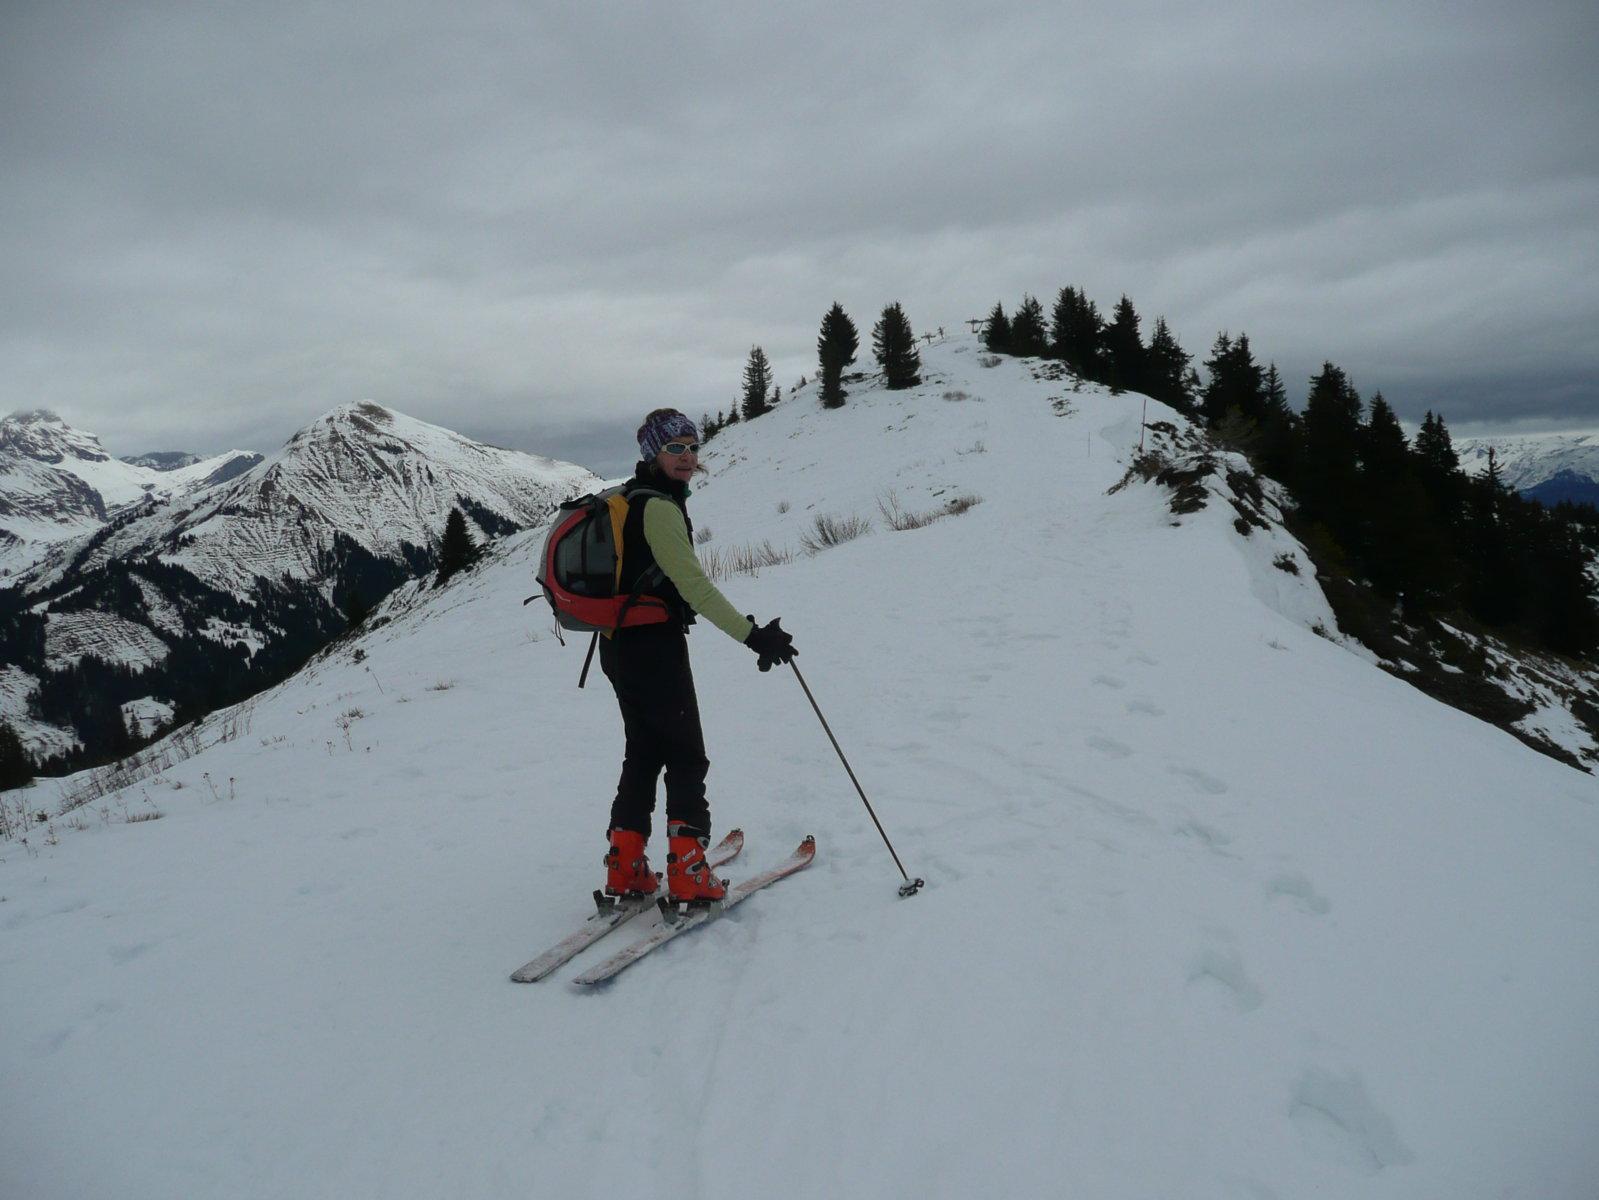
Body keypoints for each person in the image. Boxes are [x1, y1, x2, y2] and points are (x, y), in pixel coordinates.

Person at [599, 409, 796, 903]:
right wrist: (753, 637)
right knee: (686, 753)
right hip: (654, 648)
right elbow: (696, 588)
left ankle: (625, 864)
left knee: (644, 751)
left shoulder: (627, 498)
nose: (688, 457)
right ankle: (687, 867)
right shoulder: (659, 508)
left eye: (692, 446)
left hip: (617, 646)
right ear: (652, 453)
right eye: (675, 448)